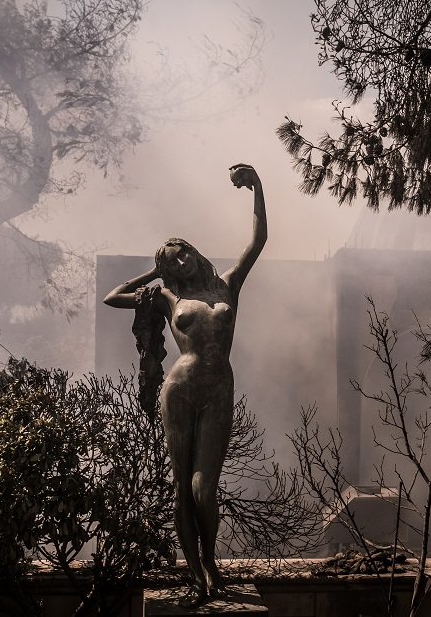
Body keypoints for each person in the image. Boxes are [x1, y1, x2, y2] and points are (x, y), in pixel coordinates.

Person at [103, 163, 266, 606]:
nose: (181, 260)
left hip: (219, 387)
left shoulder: (228, 284)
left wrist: (258, 186)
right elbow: (112, 296)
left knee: (204, 488)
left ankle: (210, 562)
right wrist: (153, 276)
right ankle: (196, 571)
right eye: (172, 258)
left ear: (194, 251)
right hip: (180, 387)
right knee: (181, 486)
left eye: (183, 252)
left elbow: (257, 243)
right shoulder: (169, 297)